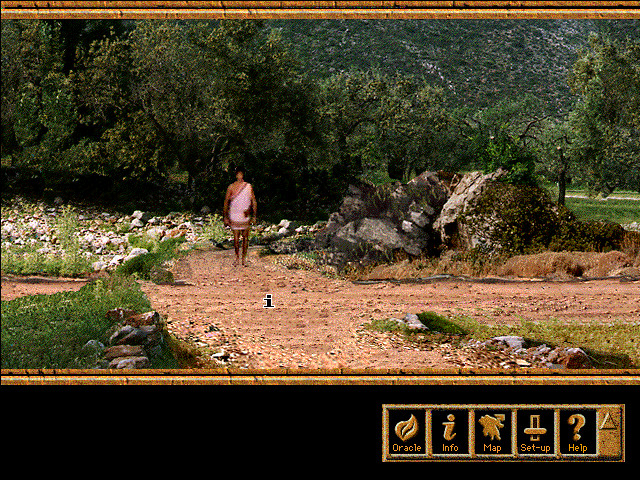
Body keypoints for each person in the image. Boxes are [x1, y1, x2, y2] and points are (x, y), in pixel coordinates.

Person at [223, 165, 257, 267]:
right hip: (234, 214)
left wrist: (254, 215)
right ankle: (237, 258)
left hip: (245, 214)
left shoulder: (248, 186)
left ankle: (244, 259)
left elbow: (253, 201)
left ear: (243, 175)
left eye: (241, 174)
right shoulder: (231, 187)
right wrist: (225, 217)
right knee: (236, 238)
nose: (239, 176)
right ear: (236, 175)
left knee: (245, 238)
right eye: (238, 174)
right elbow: (226, 202)